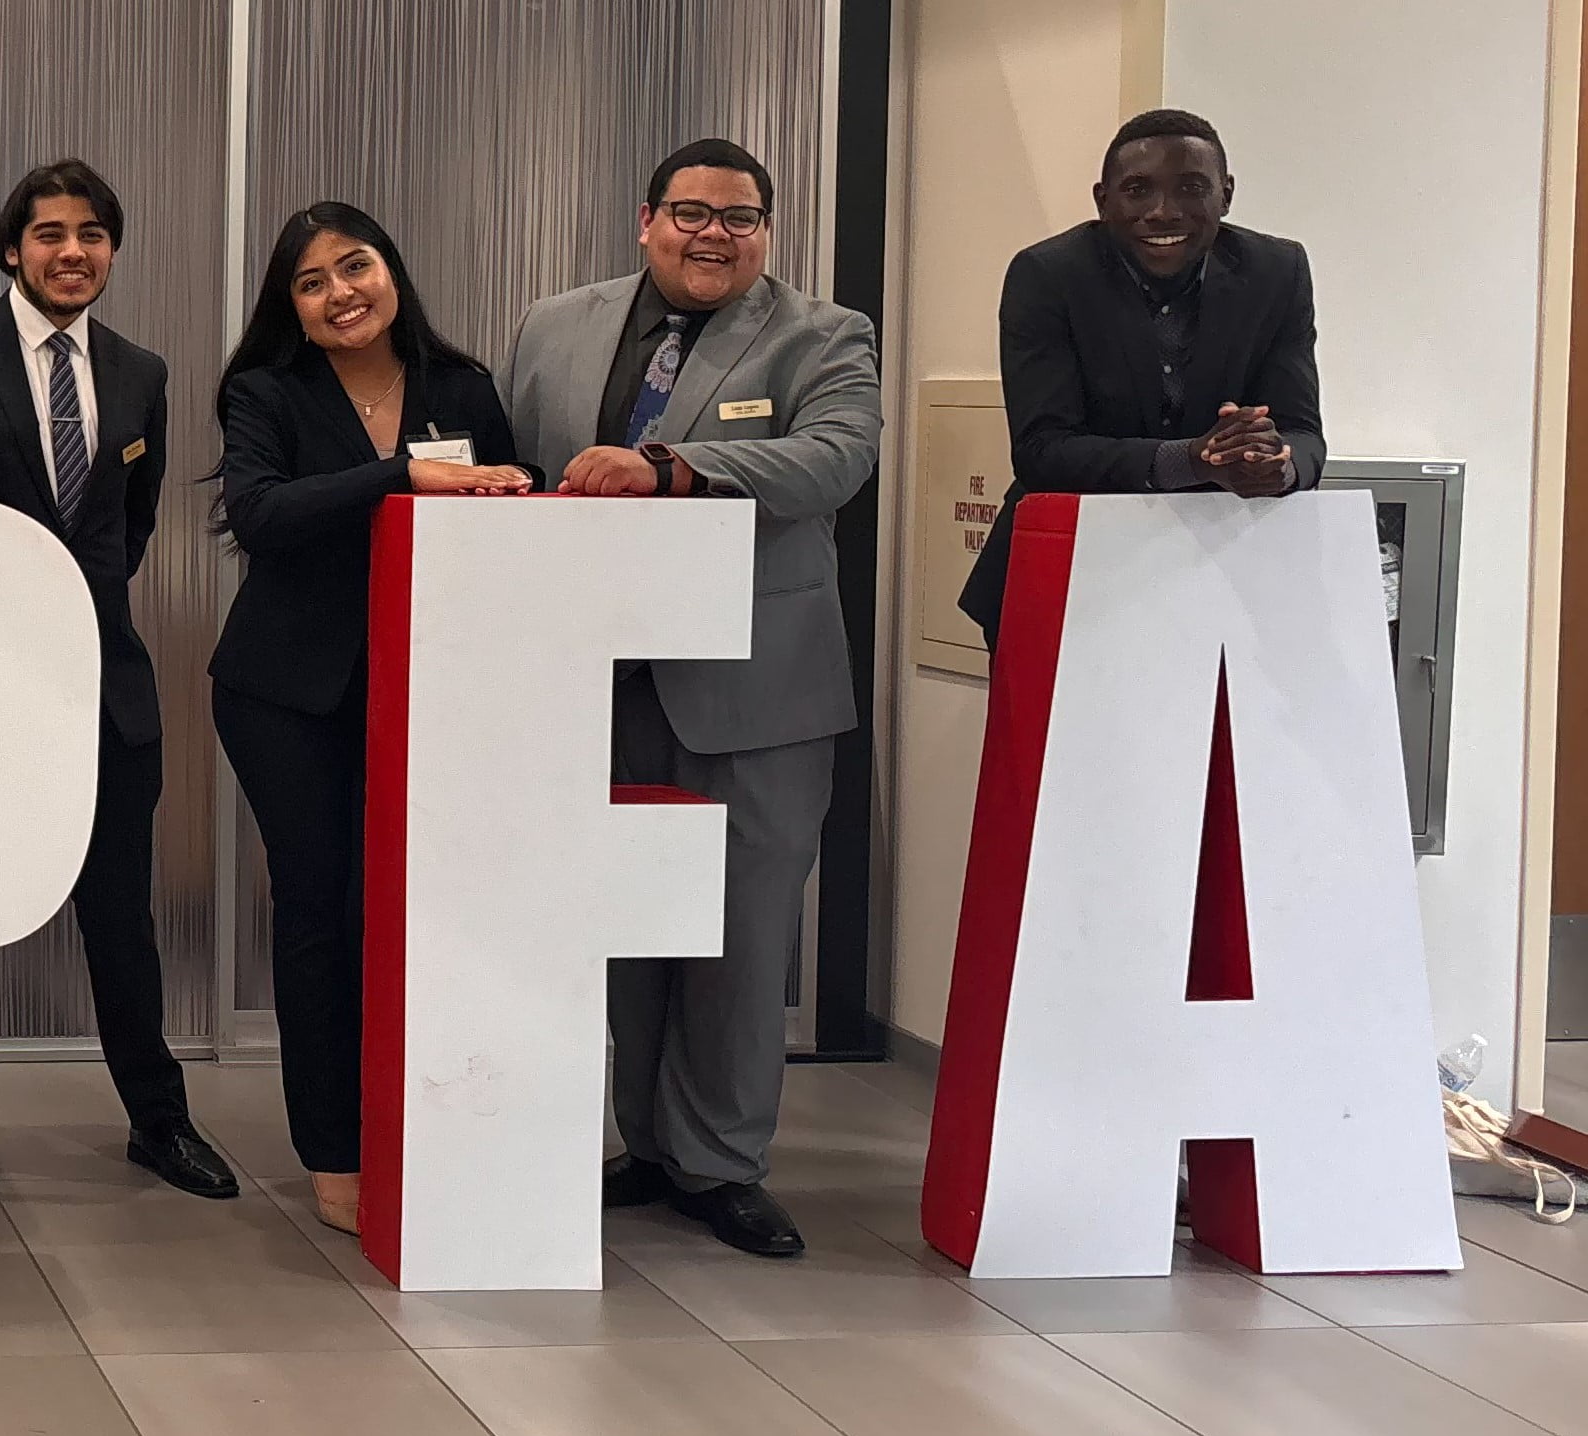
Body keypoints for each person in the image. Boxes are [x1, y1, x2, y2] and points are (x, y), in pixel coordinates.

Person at [503, 136, 883, 1260]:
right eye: (690, 212)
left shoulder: (825, 336)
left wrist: (675, 467)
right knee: (623, 927)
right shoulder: (550, 325)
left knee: (740, 935)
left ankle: (721, 1162)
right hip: (593, 681)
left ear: (764, 230)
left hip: (756, 688)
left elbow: (833, 460)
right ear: (645, 219)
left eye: (740, 216)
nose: (713, 233)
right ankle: (647, 1145)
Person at [0, 160, 236, 1205]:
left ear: (112, 250)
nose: (72, 251)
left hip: (102, 687)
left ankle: (159, 1121)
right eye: (49, 233)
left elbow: (122, 533)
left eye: (92, 233)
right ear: (11, 249)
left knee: (118, 917)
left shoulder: (141, 371)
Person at [211, 203, 529, 1235]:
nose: (340, 291)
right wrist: (401, 474)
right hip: (287, 694)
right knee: (319, 909)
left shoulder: (464, 386)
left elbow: (504, 509)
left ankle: (429, 1113)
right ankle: (332, 1146)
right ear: (291, 310)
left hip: (433, 685)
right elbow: (260, 514)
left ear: (393, 272)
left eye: (356, 267)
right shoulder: (264, 391)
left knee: (419, 910)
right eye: (312, 282)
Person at [959, 109, 1322, 643]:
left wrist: (1274, 464)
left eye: (1192, 188)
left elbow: (1304, 434)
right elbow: (1042, 450)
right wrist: (1191, 460)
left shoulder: (1277, 271)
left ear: (1226, 194)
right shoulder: (1048, 276)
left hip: (1226, 580)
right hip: (1071, 577)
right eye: (1137, 190)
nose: (1163, 211)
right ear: (1102, 200)